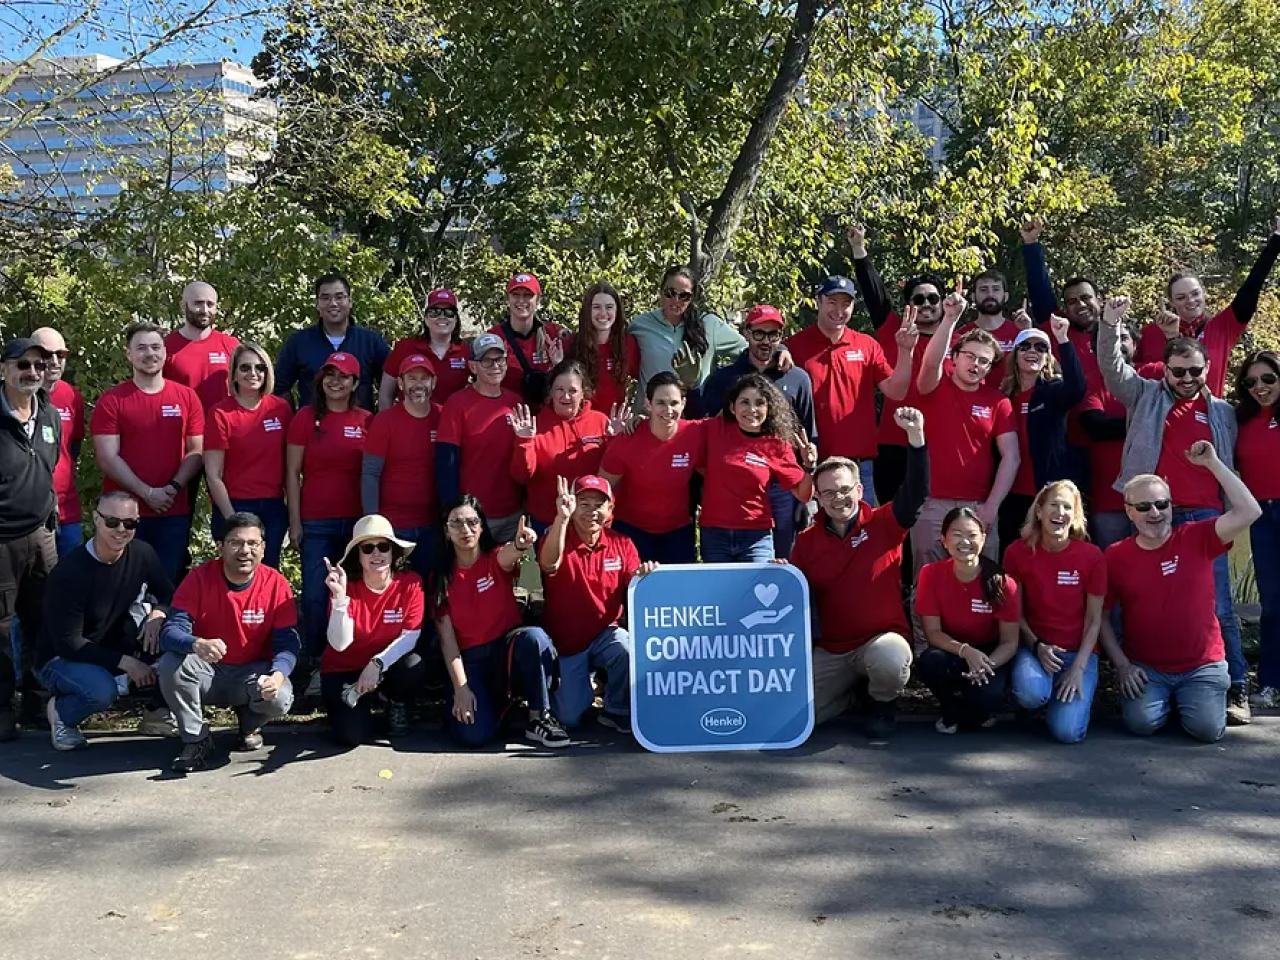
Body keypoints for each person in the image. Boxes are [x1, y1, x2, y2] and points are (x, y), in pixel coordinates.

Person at [1097, 295, 1250, 724]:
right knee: (1135, 602)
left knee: (1217, 606)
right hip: (1153, 512)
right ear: (1164, 369)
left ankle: (1235, 686)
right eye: (1178, 371)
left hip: (1203, 519)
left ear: (1206, 371)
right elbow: (1112, 369)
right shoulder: (1143, 395)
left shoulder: (1221, 411)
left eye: (1195, 371)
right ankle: (1132, 680)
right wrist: (1110, 324)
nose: (1186, 378)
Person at [1099, 446, 1261, 743]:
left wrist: (1213, 463)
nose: (1155, 513)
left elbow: (1250, 511)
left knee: (1207, 731)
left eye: (1162, 504)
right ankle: (1169, 702)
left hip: (1202, 665)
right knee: (1141, 724)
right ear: (1129, 511)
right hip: (1147, 668)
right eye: (1144, 507)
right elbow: (1102, 616)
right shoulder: (1115, 555)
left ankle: (1186, 700)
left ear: (1171, 506)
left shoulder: (1197, 536)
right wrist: (1122, 665)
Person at [790, 406, 929, 739]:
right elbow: (794, 599)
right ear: (819, 499)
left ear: (859, 490)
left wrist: (917, 439)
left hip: (882, 640)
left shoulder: (886, 523)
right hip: (834, 649)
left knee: (890, 660)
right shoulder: (806, 542)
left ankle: (881, 702)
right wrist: (782, 577)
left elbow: (916, 491)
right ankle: (853, 697)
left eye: (844, 490)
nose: (839, 498)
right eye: (829, 493)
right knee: (798, 718)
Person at [158, 512, 298, 771]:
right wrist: (196, 643)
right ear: (220, 546)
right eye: (235, 542)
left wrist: (277, 677)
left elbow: (287, 644)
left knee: (281, 697)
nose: (245, 550)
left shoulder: (277, 584)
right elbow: (170, 632)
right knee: (170, 665)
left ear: (263, 548)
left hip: (252, 674)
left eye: (253, 543)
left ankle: (249, 723)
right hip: (208, 672)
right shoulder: (199, 578)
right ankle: (196, 739)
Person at [36, 492, 173, 750]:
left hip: (111, 647)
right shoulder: (70, 573)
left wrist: (159, 613)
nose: (121, 530)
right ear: (96, 520)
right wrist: (127, 664)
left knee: (175, 637)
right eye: (112, 522)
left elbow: (168, 593)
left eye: (129, 523)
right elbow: (69, 643)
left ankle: (157, 712)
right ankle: (62, 713)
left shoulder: (142, 553)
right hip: (60, 658)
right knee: (100, 692)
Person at [432, 496, 568, 748]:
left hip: (507, 652)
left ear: (482, 527)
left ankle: (539, 718)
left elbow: (511, 553)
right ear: (446, 531)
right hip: (471, 662)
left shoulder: (494, 558)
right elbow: (448, 643)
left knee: (534, 637)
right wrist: (461, 689)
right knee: (474, 736)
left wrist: (520, 543)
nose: (465, 530)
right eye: (456, 523)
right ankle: (499, 710)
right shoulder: (441, 578)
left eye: (472, 522)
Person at [912, 283, 1018, 578]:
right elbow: (931, 360)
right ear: (955, 356)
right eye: (970, 356)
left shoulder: (998, 402)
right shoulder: (934, 386)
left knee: (985, 579)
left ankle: (985, 627)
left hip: (978, 506)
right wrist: (949, 318)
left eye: (984, 361)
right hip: (931, 502)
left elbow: (1011, 457)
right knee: (926, 578)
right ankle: (924, 628)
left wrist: (992, 507)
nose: (976, 364)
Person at [784, 270, 915, 505]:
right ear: (818, 302)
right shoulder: (794, 346)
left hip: (858, 465)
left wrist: (905, 351)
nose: (839, 310)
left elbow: (896, 391)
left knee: (862, 536)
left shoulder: (866, 345)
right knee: (811, 538)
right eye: (832, 302)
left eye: (846, 304)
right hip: (812, 463)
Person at [91, 320, 204, 585]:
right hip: (122, 517)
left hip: (172, 511)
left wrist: (172, 489)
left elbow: (197, 450)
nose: (150, 354)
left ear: (165, 352)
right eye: (141, 348)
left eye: (156, 347)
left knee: (166, 586)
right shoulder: (112, 400)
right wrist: (147, 493)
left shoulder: (187, 397)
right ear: (129, 354)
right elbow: (107, 458)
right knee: (119, 586)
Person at [539, 476, 651, 732]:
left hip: (604, 635)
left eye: (599, 505)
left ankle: (615, 709)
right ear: (572, 505)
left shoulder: (622, 543)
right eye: (584, 503)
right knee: (568, 718)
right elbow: (548, 564)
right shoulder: (558, 535)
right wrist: (561, 518)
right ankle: (586, 685)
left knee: (626, 647)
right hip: (567, 643)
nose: (592, 511)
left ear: (610, 509)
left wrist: (645, 574)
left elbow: (635, 584)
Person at [705, 304, 818, 558]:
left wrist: (808, 484)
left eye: (773, 335)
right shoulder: (725, 377)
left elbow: (808, 433)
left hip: (784, 484)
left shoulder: (797, 378)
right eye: (759, 333)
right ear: (746, 333)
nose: (766, 341)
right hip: (735, 484)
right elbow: (705, 428)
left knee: (778, 562)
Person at [286, 352, 371, 682]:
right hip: (316, 522)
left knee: (355, 594)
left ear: (355, 383)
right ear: (320, 381)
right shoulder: (305, 418)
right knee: (315, 594)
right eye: (330, 375)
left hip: (357, 525)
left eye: (344, 376)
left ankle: (351, 660)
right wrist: (295, 523)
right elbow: (292, 473)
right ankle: (319, 663)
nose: (337, 381)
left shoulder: (367, 420)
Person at [847, 225, 947, 506]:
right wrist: (859, 251)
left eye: (933, 298)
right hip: (892, 443)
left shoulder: (959, 340)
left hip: (937, 445)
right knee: (894, 523)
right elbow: (874, 295)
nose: (926, 304)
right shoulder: (895, 331)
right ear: (910, 307)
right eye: (918, 299)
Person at [1005, 481, 1107, 743]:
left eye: (1067, 507)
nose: (1059, 512)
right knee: (1031, 694)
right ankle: (1037, 702)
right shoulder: (1018, 552)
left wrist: (1078, 668)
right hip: (1035, 648)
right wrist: (1037, 645)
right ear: (1039, 511)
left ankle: (1062, 707)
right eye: (1053, 505)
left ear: (1074, 516)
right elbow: (1014, 612)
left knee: (1068, 732)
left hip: (1078, 653)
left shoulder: (1092, 556)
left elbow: (1095, 619)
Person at [1133, 218, 1280, 395]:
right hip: (1163, 418)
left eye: (1195, 294)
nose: (1190, 301)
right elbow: (1130, 374)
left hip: (1209, 417)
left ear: (1204, 293)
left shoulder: (1222, 327)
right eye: (1181, 297)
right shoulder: (1150, 333)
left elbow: (1251, 286)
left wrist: (1276, 242)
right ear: (1171, 302)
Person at [0, 337, 62, 740]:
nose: (33, 372)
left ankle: (39, 702)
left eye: (40, 365)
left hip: (42, 536)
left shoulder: (50, 415)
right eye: (24, 364)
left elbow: (48, 468)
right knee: (1, 630)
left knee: (45, 622)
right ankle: (3, 709)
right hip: (1, 541)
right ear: (4, 369)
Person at [629, 264, 790, 418]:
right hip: (649, 420)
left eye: (684, 295)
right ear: (661, 291)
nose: (676, 300)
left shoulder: (709, 324)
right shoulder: (640, 325)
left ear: (693, 297)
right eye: (670, 293)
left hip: (693, 419)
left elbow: (750, 346)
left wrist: (781, 349)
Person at [321, 515, 427, 745]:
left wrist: (376, 664)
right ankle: (364, 705)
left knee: (414, 664)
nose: (376, 554)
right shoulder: (345, 587)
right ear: (358, 556)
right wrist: (340, 601)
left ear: (393, 552)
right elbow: (339, 644)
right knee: (352, 737)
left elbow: (411, 636)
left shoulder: (411, 583)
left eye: (383, 546)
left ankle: (395, 703)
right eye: (367, 548)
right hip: (344, 670)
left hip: (384, 667)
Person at [915, 506, 1021, 733]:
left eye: (972, 535)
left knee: (985, 700)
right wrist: (965, 651)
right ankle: (949, 708)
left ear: (983, 539)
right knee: (930, 661)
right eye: (957, 534)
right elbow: (932, 633)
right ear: (944, 540)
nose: (965, 541)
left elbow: (1010, 642)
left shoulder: (1002, 583)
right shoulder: (930, 574)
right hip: (952, 650)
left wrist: (985, 665)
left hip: (989, 656)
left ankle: (974, 710)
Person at [699, 372, 817, 563]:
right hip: (715, 535)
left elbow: (803, 494)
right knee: (720, 593)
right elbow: (674, 429)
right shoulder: (714, 429)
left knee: (758, 591)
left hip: (755, 537)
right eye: (744, 402)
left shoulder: (777, 445)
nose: (752, 409)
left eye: (759, 403)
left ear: (769, 408)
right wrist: (640, 422)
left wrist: (809, 466)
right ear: (732, 406)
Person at [997, 322, 1087, 554]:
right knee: (1013, 555)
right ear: (1015, 355)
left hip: (1045, 493)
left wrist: (1062, 339)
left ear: (1048, 357)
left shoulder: (1052, 392)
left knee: (1048, 556)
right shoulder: (1002, 396)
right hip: (1010, 493)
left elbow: (1077, 387)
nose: (1032, 351)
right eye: (1025, 346)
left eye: (1041, 347)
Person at [204, 342, 293, 567]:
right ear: (233, 373)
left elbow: (292, 466)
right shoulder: (220, 413)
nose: (253, 373)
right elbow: (213, 475)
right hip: (234, 504)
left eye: (259, 367)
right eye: (245, 368)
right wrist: (232, 519)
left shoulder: (281, 409)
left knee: (268, 571)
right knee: (236, 572)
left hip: (273, 507)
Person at [599, 372, 702, 564]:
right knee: (634, 591)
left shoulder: (695, 433)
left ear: (684, 404)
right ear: (648, 404)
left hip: (677, 533)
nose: (668, 410)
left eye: (674, 403)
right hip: (632, 531)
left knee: (679, 592)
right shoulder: (627, 439)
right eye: (661, 403)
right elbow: (603, 487)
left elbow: (731, 423)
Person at [509, 359, 619, 532]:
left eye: (572, 391)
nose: (565, 396)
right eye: (559, 389)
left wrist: (615, 441)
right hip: (548, 521)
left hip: (593, 522)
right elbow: (522, 476)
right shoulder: (534, 426)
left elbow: (612, 474)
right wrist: (524, 441)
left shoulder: (601, 422)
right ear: (551, 391)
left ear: (584, 392)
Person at [436, 334, 525, 544]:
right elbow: (445, 465)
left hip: (513, 513)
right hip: (474, 517)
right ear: (473, 367)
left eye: (500, 359)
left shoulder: (516, 402)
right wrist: (454, 514)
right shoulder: (457, 404)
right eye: (487, 360)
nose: (495, 366)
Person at [363, 354, 441, 577]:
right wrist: (373, 525)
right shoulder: (385, 421)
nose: (418, 384)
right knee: (393, 588)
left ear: (433, 383)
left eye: (424, 379)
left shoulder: (443, 416)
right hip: (392, 526)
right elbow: (370, 474)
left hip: (432, 524)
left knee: (430, 588)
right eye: (412, 378)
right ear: (400, 383)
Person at [1234, 352, 1280, 708]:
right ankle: (1269, 683)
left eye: (1267, 379)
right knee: (1272, 604)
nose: (1260, 388)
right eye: (1251, 382)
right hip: (1262, 517)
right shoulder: (1242, 419)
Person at [275, 272, 390, 411]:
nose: (333, 303)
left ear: (350, 302)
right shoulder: (298, 342)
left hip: (361, 430)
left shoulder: (371, 341)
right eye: (325, 298)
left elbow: (391, 385)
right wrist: (293, 422)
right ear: (317, 304)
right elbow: (280, 386)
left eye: (339, 297)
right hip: (312, 429)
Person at [30, 327, 84, 556]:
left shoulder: (72, 395)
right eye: (46, 354)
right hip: (30, 513)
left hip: (68, 509)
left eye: (60, 355)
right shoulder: (15, 395)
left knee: (71, 581)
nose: (54, 361)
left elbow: (73, 449)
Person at [379, 287, 471, 409]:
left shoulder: (466, 352)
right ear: (426, 319)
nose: (442, 316)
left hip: (450, 424)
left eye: (449, 312)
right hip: (409, 424)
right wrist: (386, 425)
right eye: (435, 312)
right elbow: (386, 394)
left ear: (456, 319)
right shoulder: (404, 347)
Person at [488, 272, 570, 406]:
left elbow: (572, 376)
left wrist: (558, 365)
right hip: (507, 412)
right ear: (507, 300)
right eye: (516, 295)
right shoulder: (494, 337)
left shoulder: (553, 334)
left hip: (547, 413)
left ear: (538, 301)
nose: (521, 300)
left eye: (528, 295)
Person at [163, 281, 240, 411]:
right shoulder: (165, 346)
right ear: (183, 306)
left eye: (210, 304)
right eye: (198, 303)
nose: (205, 310)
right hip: (182, 428)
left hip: (223, 428)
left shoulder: (230, 345)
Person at [567, 281, 639, 416]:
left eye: (609, 307)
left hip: (615, 426)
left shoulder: (628, 344)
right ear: (588, 311)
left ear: (617, 311)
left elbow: (647, 379)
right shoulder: (572, 344)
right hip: (582, 425)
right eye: (596, 307)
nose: (603, 313)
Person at [957, 269, 1026, 388]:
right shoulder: (961, 335)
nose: (990, 294)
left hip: (1013, 402)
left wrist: (1027, 332)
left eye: (996, 289)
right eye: (983, 290)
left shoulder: (1020, 332)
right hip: (973, 402)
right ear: (973, 297)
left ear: (1006, 296)